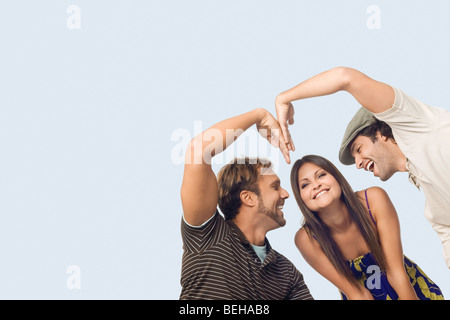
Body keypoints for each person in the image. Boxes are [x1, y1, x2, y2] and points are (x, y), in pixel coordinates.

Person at [275, 66, 450, 268]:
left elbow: (345, 77)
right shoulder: (428, 188)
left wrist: (284, 98)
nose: (358, 163)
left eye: (359, 149)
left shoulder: (416, 125)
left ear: (381, 133)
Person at [179, 107, 313, 300]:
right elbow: (197, 151)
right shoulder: (208, 235)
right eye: (275, 187)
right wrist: (259, 115)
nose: (285, 194)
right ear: (248, 197)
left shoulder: (286, 273)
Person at [290, 154, 443, 300]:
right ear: (300, 197)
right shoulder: (307, 239)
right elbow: (358, 294)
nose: (316, 185)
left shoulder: (374, 200)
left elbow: (396, 273)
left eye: (321, 175)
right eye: (305, 185)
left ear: (336, 177)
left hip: (408, 290)